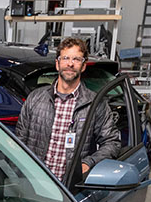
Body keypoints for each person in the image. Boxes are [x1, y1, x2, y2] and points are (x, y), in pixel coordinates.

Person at [15, 37, 120, 182]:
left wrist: (88, 163)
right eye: (65, 58)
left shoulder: (95, 104)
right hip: (35, 184)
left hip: (70, 190)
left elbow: (112, 142)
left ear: (83, 66)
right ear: (58, 64)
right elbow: (19, 141)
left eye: (76, 59)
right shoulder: (35, 98)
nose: (70, 64)